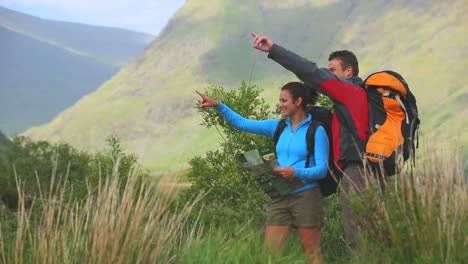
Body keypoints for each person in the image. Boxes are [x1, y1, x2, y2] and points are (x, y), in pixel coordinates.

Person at [250, 32, 386, 250]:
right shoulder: (356, 98)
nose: (329, 75)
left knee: (359, 236)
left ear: (348, 71)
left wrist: (273, 49)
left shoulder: (350, 92)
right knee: (374, 232)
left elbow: (312, 73)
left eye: (333, 70)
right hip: (371, 168)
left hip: (358, 170)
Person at [196, 82, 329, 264]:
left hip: (307, 196)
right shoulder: (278, 127)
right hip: (280, 196)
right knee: (268, 255)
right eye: (279, 100)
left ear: (298, 101)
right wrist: (219, 106)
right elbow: (241, 123)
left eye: (284, 100)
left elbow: (322, 170)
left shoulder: (316, 131)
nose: (280, 104)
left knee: (312, 254)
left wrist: (295, 171)